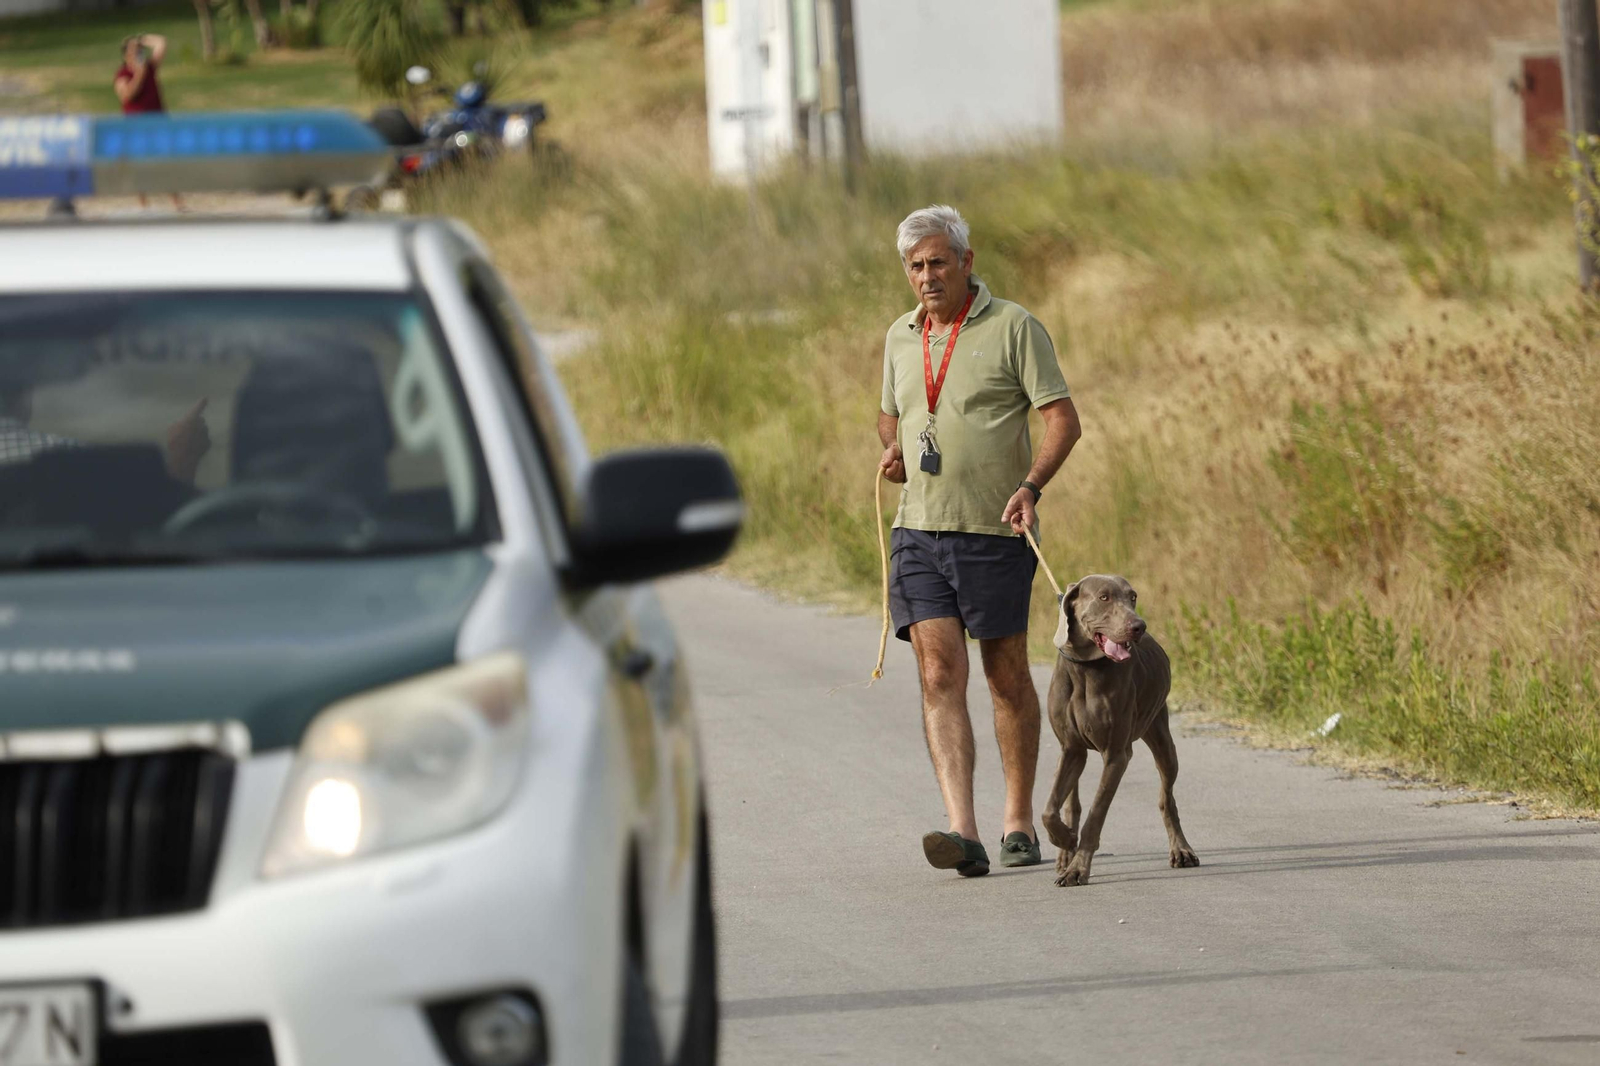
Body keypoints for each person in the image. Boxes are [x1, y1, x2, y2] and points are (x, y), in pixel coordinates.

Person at [878, 205, 1082, 877]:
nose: (927, 276)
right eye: (916, 266)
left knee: (1004, 676)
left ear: (967, 261)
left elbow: (1061, 420)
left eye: (938, 262)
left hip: (995, 530)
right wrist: (896, 453)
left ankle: (1017, 821)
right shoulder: (901, 337)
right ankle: (961, 829)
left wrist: (1031, 486)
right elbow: (892, 418)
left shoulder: (1014, 326)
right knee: (939, 673)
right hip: (917, 530)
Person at [0, 379, 211, 484]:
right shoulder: (72, 459)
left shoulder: (70, 458)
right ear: (24, 399)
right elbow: (164, 529)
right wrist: (184, 458)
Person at [113, 33, 182, 211]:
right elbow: (126, 95)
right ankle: (144, 206)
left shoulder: (150, 67)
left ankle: (177, 203)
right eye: (133, 50)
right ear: (126, 55)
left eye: (140, 50)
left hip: (158, 122)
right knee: (139, 166)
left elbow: (162, 43)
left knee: (166, 163)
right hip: (136, 126)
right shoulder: (123, 74)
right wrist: (139, 74)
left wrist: (142, 39)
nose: (138, 53)